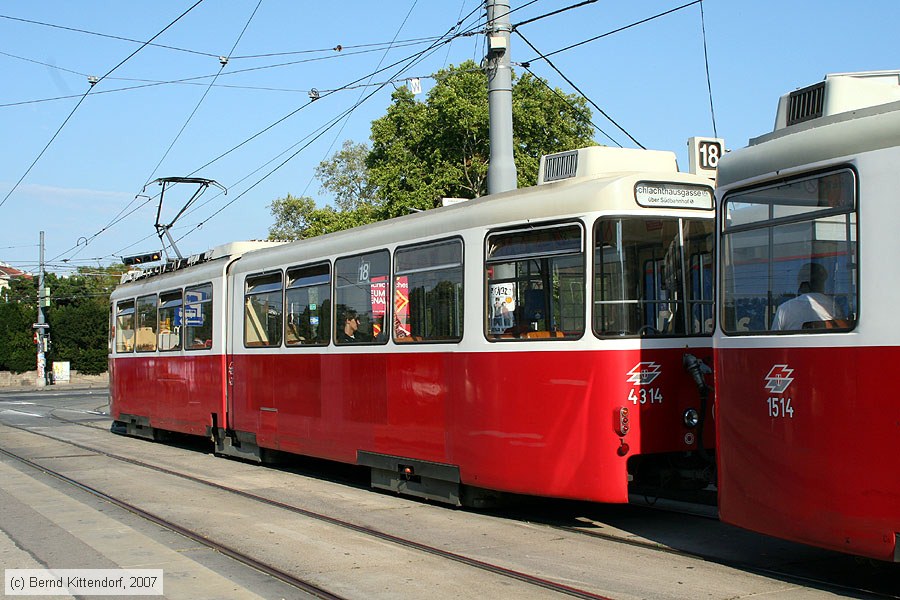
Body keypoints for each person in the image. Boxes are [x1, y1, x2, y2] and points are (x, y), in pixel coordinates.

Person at [772, 263, 844, 330]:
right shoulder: (834, 308)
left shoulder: (785, 309)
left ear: (802, 283)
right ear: (822, 282)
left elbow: (774, 339)